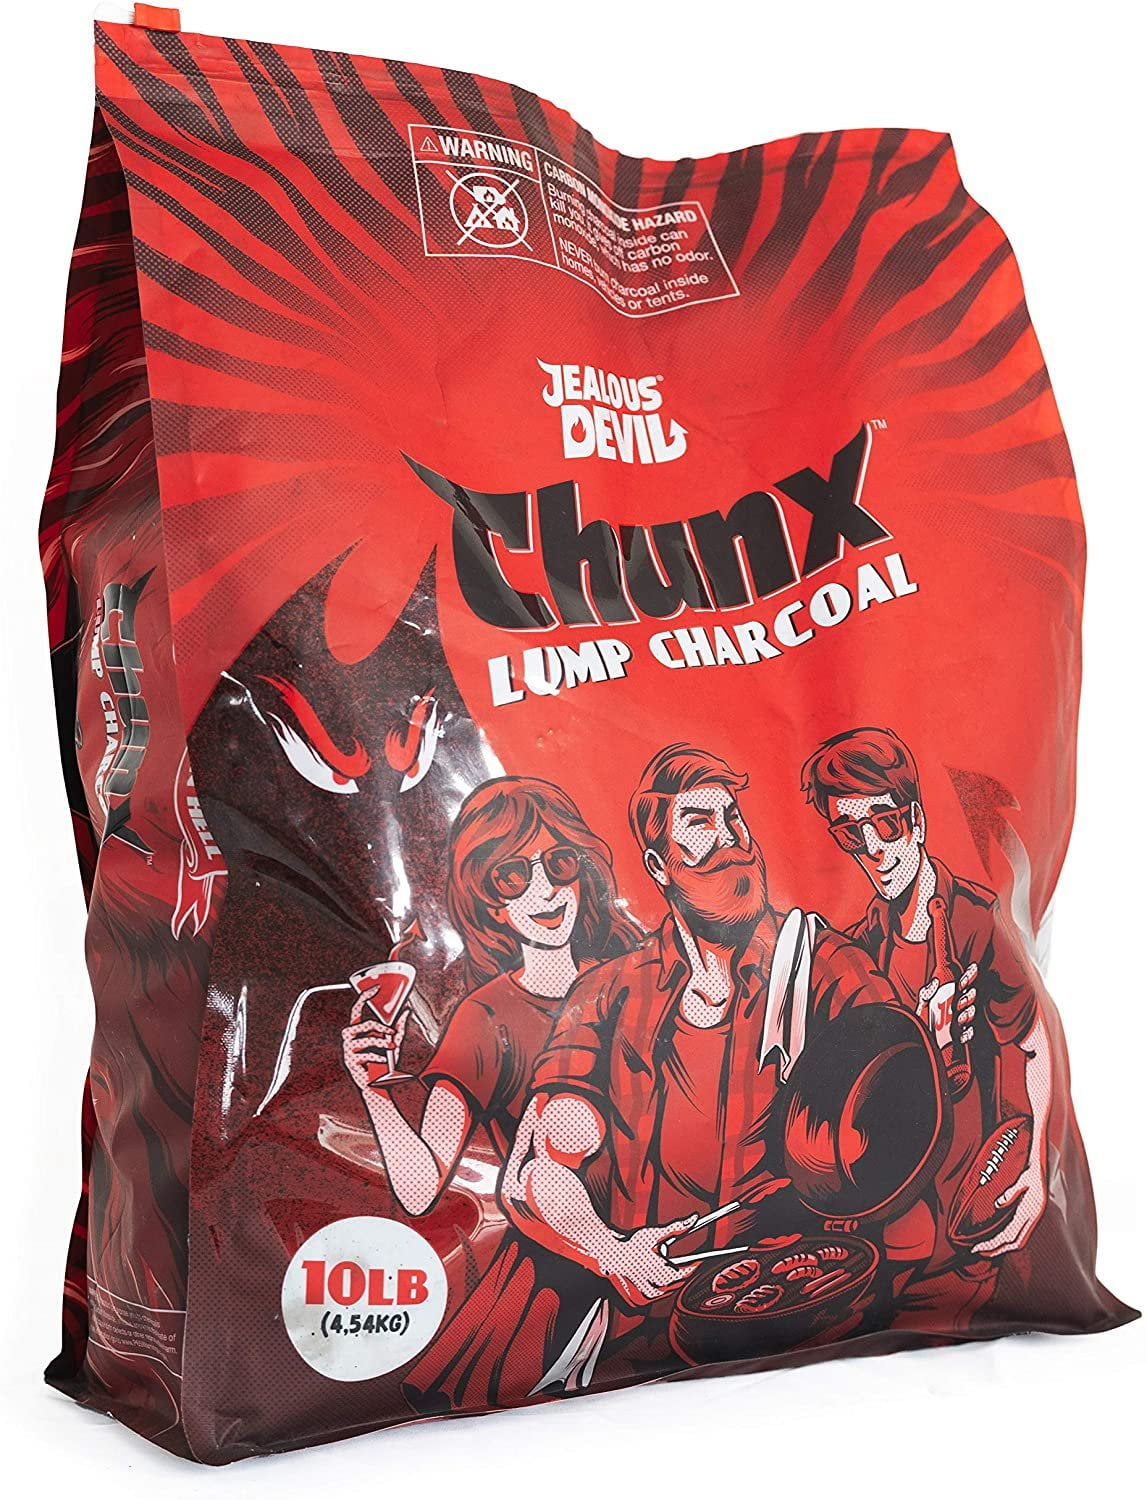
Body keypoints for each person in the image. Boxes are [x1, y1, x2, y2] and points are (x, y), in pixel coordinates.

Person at [500, 743, 902, 1380]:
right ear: (658, 865)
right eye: (701, 823)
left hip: (811, 1324)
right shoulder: (607, 996)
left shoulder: (829, 968)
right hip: (634, 1348)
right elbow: (536, 1168)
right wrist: (613, 1255)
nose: (731, 838)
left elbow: (903, 1116)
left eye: (734, 818)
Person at [342, 774, 641, 1410]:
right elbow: (421, 1188)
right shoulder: (484, 1018)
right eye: (512, 876)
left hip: (670, 1235)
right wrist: (374, 1090)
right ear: (489, 901)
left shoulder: (632, 980)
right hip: (561, 1274)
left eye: (559, 864)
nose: (544, 889)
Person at [799, 726, 1050, 1329]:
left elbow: (1033, 1042)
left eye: (884, 823)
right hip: (891, 1237)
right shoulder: (858, 947)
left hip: (976, 1220)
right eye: (850, 832)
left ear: (915, 819)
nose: (872, 848)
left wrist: (1038, 1170)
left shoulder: (977, 920)